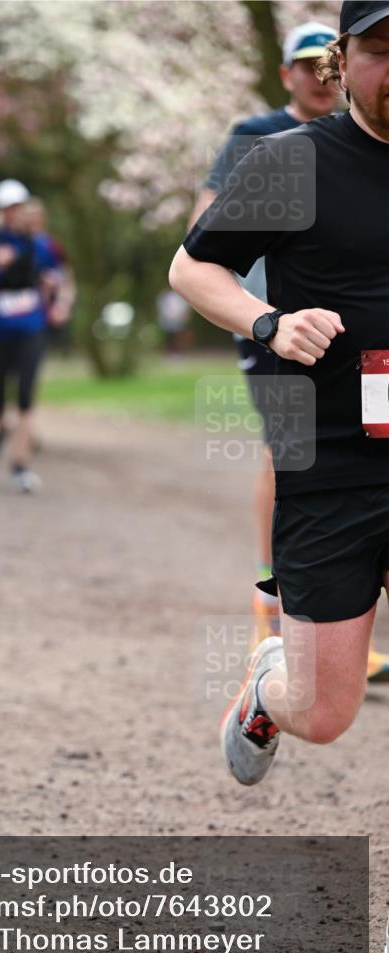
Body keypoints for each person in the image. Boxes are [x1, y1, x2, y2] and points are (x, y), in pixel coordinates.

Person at [169, 0, 388, 795]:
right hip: (331, 461)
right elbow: (192, 268)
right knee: (326, 712)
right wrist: (269, 322)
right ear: (340, 60)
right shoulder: (292, 161)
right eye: (379, 49)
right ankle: (269, 689)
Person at [189, 20, 340, 643]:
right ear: (286, 75)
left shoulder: (357, 143)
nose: (315, 74)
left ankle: (336, 620)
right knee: (289, 451)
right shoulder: (256, 137)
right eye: (303, 65)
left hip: (340, 328)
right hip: (269, 326)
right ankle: (273, 603)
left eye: (323, 61)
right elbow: (202, 230)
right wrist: (257, 312)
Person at [0, 180, 63, 493]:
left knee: (25, 394)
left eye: (18, 207)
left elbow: (56, 276)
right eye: (8, 209)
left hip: (30, 328)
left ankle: (20, 463)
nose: (14, 214)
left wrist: (52, 288)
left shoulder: (39, 243)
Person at [24, 197, 76, 354]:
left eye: (36, 215)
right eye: (29, 215)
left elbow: (66, 276)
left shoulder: (51, 245)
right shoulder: (15, 244)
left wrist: (63, 304)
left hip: (44, 309)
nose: (33, 219)